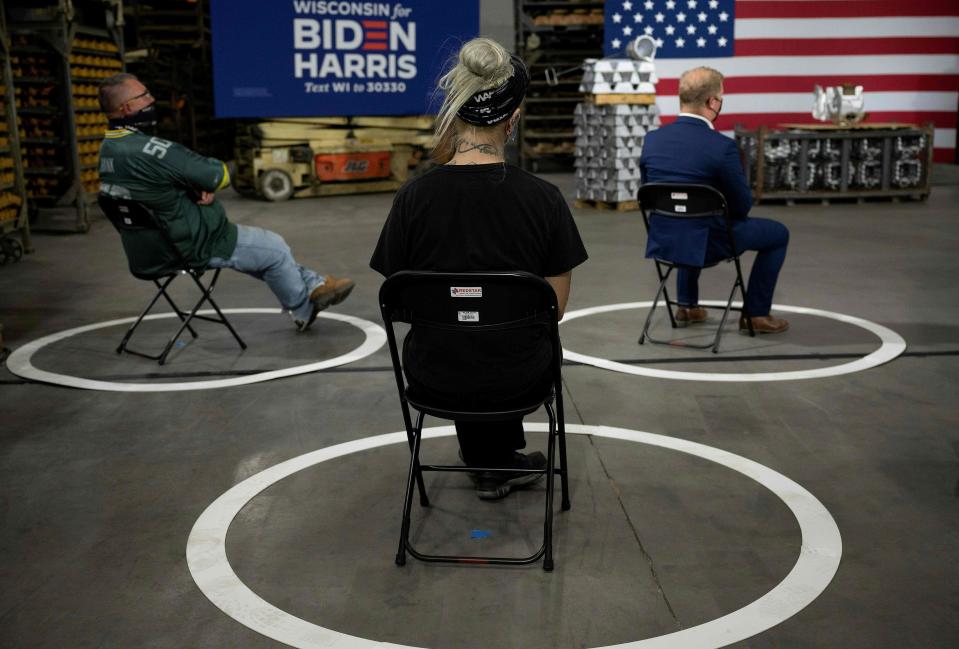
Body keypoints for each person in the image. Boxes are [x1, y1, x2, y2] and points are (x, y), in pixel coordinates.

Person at [370, 38, 588, 500]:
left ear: (458, 113)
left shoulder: (414, 198)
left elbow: (400, 301)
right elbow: (556, 309)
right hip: (520, 377)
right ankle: (496, 462)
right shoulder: (543, 199)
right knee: (504, 333)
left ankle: (490, 463)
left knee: (462, 331)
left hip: (434, 376)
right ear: (513, 118)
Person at [96, 73, 354, 332]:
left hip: (145, 250)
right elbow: (218, 175)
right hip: (193, 244)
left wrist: (188, 186)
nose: (152, 99)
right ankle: (304, 309)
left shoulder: (109, 150)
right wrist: (200, 182)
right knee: (275, 249)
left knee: (262, 254)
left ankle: (315, 284)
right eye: (145, 96)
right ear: (127, 107)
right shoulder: (151, 149)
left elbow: (150, 187)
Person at [639, 66, 790, 333]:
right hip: (710, 242)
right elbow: (742, 206)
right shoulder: (721, 147)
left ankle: (686, 305)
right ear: (712, 102)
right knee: (778, 234)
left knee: (686, 216)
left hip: (664, 239)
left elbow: (648, 194)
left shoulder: (653, 140)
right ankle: (755, 314)